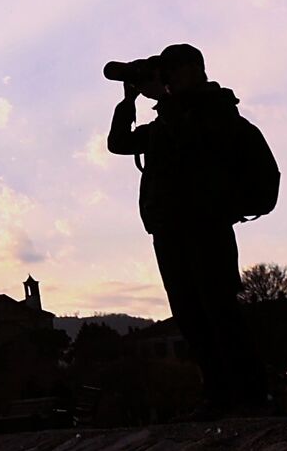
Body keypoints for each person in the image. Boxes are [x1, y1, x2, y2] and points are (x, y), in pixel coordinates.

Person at [107, 43, 264, 414]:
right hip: (169, 229)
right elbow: (118, 144)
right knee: (190, 315)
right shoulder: (164, 123)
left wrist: (162, 97)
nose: (166, 79)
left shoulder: (214, 110)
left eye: (172, 71)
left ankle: (249, 394)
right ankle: (218, 394)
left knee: (220, 309)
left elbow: (194, 137)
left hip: (206, 224)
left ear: (193, 70)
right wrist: (127, 102)